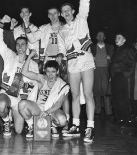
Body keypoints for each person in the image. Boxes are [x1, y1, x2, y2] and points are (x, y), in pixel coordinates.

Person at [0, 15, 39, 136]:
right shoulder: (9, 55)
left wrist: (29, 103)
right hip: (8, 94)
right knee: (1, 103)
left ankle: (27, 123)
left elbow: (35, 86)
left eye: (23, 44)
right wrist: (2, 22)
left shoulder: (33, 64)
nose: (19, 46)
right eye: (18, 44)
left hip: (22, 99)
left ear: (27, 46)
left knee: (18, 130)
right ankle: (6, 121)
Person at [59, 0, 96, 143]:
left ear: (73, 11)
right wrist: (60, 58)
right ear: (62, 14)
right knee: (74, 95)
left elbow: (85, 3)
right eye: (64, 11)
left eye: (69, 10)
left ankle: (90, 128)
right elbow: (62, 49)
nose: (67, 13)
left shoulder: (82, 18)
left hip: (86, 60)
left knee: (88, 94)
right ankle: (75, 125)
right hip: (72, 63)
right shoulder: (61, 30)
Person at [19, 52, 69, 138]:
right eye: (48, 72)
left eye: (53, 72)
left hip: (52, 111)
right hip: (39, 109)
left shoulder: (61, 84)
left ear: (57, 71)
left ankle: (52, 125)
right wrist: (30, 56)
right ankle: (31, 125)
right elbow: (24, 72)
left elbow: (58, 104)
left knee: (62, 120)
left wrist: (47, 112)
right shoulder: (42, 78)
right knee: (22, 104)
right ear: (45, 71)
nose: (50, 75)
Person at [110, 32, 136, 127]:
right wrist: (111, 75)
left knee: (123, 99)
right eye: (116, 37)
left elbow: (132, 63)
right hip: (115, 77)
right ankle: (118, 118)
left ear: (124, 40)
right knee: (116, 98)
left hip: (121, 76)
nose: (116, 38)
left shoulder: (128, 49)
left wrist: (124, 75)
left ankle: (126, 120)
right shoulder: (117, 49)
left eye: (119, 37)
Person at [90, 31, 114, 115]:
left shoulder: (110, 47)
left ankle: (108, 110)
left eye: (102, 36)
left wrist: (110, 58)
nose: (100, 37)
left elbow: (114, 61)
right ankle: (97, 109)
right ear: (96, 37)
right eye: (98, 35)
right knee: (96, 91)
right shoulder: (92, 47)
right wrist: (91, 59)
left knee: (106, 90)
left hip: (106, 71)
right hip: (95, 71)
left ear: (104, 37)